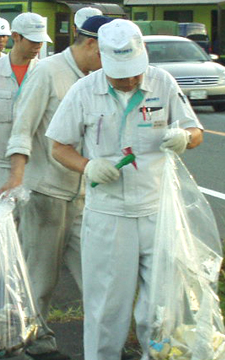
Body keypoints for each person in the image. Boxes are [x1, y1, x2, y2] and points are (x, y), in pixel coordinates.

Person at [45, 19, 203, 360]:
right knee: (106, 309)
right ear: (102, 58)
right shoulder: (85, 91)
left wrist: (184, 137)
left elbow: (195, 130)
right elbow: (58, 145)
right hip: (108, 215)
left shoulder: (162, 82)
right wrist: (88, 166)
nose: (131, 79)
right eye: (122, 73)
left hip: (156, 211)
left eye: (135, 71)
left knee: (161, 306)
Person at [1, 15, 113, 360]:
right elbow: (22, 127)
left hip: (84, 193)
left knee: (98, 271)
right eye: (106, 53)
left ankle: (107, 343)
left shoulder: (99, 78)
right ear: (91, 44)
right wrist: (17, 176)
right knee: (42, 276)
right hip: (45, 191)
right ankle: (31, 338)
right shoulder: (47, 72)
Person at [0, 12, 50, 202]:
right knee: (1, 224)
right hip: (0, 164)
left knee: (32, 227)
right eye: (33, 41)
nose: (38, 46)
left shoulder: (45, 74)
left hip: (35, 164)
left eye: (41, 42)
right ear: (16, 37)